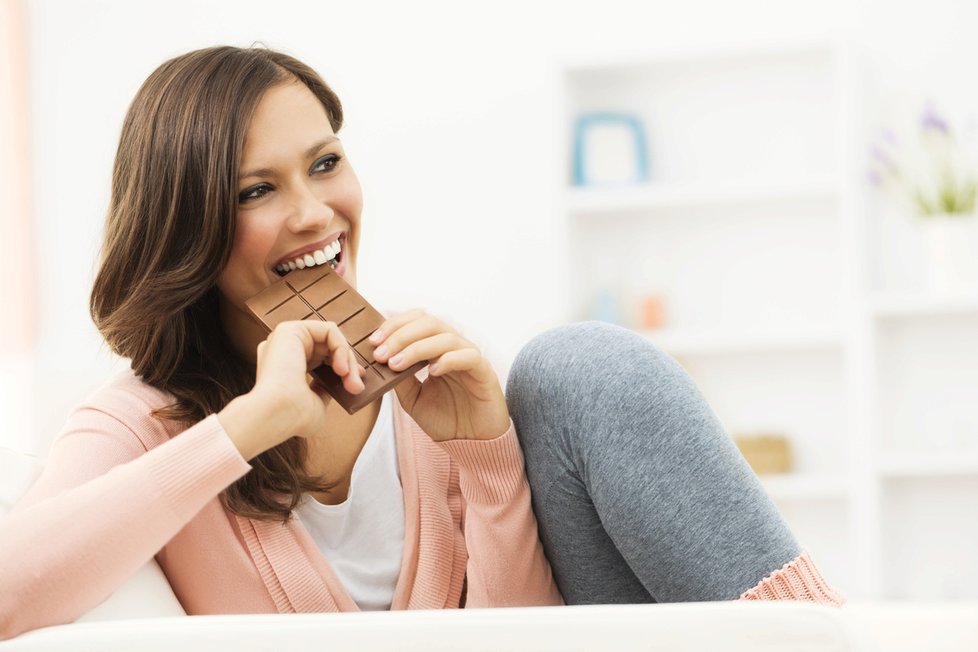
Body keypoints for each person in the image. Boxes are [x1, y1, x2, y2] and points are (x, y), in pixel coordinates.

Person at [0, 45, 842, 640]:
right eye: (259, 189)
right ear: (187, 229)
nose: (314, 213)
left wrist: (486, 456)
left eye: (325, 164)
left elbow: (526, 642)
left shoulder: (422, 386)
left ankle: (825, 636)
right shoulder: (142, 422)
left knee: (578, 367)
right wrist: (245, 428)